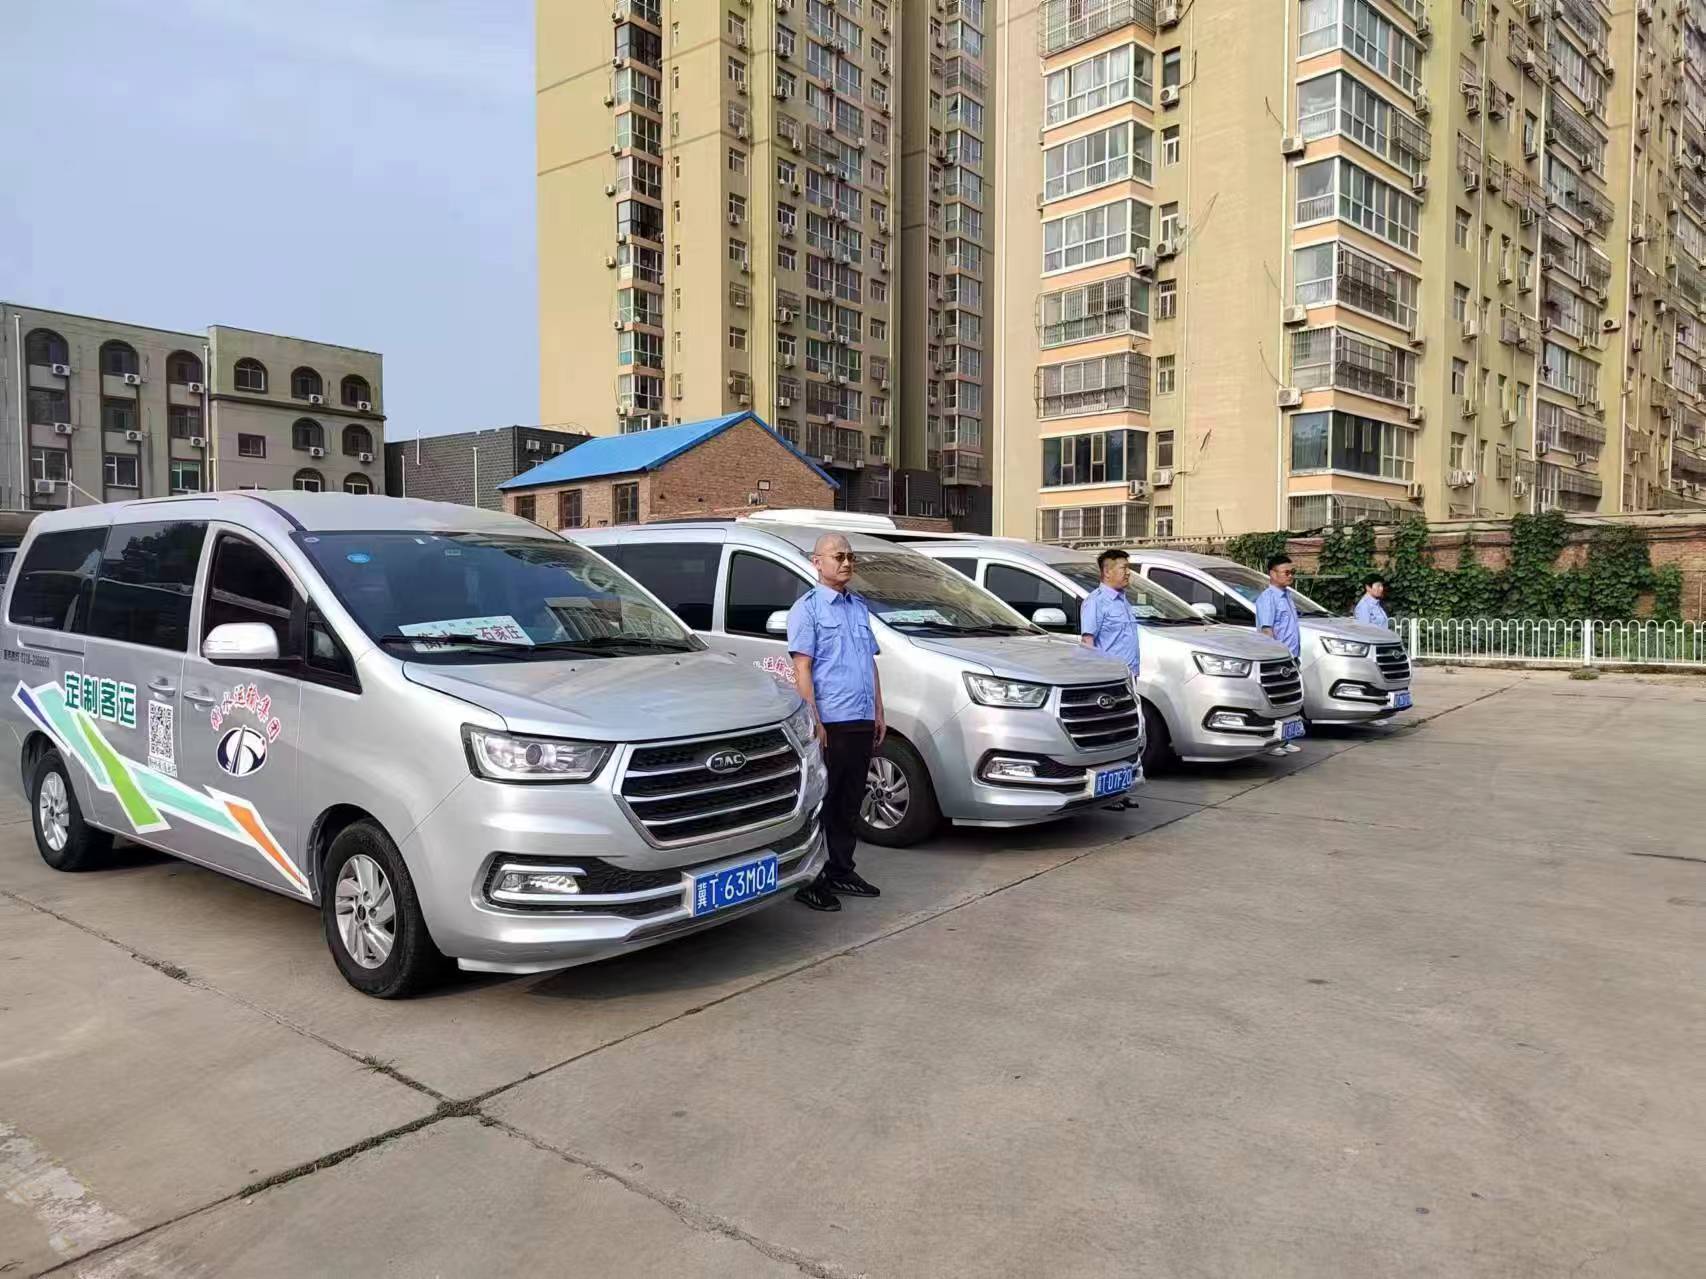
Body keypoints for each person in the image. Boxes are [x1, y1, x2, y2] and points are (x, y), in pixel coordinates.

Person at [787, 532, 885, 911]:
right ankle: (810, 879)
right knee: (822, 802)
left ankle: (841, 869)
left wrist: (878, 710)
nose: (846, 563)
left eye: (850, 557)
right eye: (838, 556)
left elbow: (869, 662)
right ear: (817, 562)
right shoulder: (808, 609)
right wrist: (813, 719)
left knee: (849, 802)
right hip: (831, 722)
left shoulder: (858, 606)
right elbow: (802, 668)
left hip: (861, 718)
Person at [1078, 548, 1141, 808]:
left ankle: (1120, 790)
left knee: (1126, 737)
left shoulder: (1122, 600)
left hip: (1129, 680)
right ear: (1107, 572)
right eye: (1123, 568)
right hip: (1109, 685)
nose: (1128, 573)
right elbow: (1088, 643)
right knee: (1107, 738)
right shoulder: (1096, 602)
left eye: (1128, 568)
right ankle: (1104, 795)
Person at [1255, 552, 1303, 756]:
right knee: (1276, 702)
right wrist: (1276, 659)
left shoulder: (1287, 596)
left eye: (1292, 572)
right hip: (1278, 660)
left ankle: (1285, 739)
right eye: (1286, 572)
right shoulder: (1268, 598)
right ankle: (1272, 742)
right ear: (1272, 574)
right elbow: (1267, 631)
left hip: (1292, 658)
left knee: (1289, 701)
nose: (1290, 576)